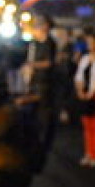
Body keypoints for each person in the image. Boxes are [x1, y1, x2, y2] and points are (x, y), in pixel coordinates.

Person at [23, 13, 60, 166]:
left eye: (40, 24)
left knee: (44, 114)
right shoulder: (36, 43)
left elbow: (49, 63)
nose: (37, 26)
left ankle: (44, 144)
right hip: (34, 82)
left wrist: (32, 65)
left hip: (45, 83)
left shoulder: (49, 43)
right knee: (33, 113)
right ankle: (36, 142)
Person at [73, 28, 95, 167]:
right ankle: (88, 153)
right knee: (86, 126)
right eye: (88, 42)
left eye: (92, 42)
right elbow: (79, 76)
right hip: (84, 95)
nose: (89, 44)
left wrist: (91, 93)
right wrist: (80, 90)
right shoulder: (85, 58)